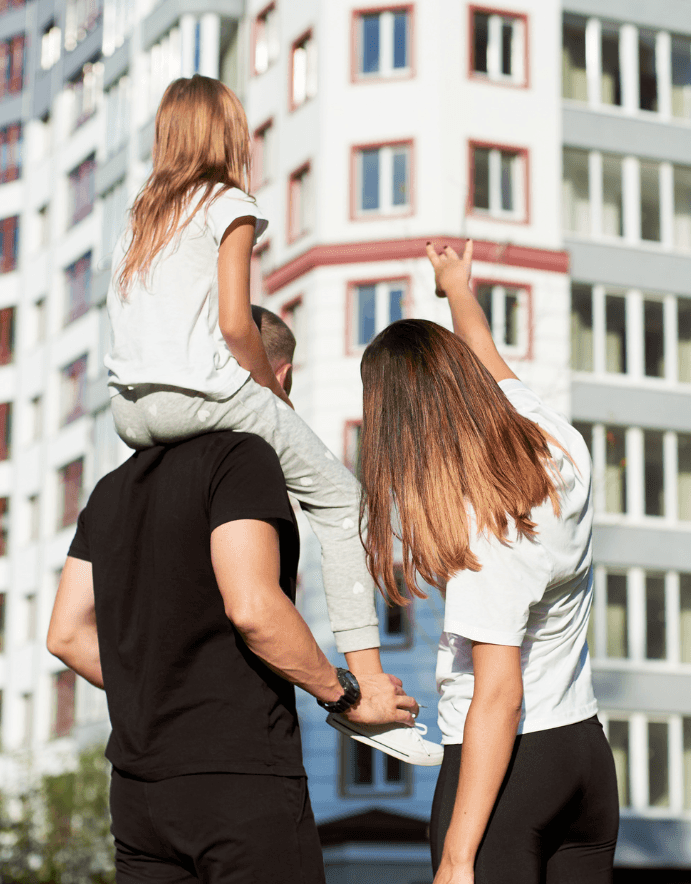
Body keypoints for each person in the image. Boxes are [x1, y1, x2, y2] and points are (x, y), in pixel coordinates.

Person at [103, 74, 438, 765]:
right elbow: (235, 321)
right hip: (200, 395)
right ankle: (371, 691)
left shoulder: (139, 220)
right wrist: (272, 397)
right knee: (343, 499)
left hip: (130, 412)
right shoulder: (230, 204)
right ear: (228, 135)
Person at [47, 307, 422, 883]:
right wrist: (344, 694)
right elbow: (253, 610)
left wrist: (160, 684)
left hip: (139, 795)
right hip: (240, 780)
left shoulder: (113, 486)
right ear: (283, 376)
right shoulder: (243, 455)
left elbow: (67, 635)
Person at [357, 242, 620, 884]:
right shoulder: (553, 438)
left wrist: (457, 854)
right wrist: (456, 286)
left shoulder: (488, 530)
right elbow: (487, 356)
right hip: (584, 758)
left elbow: (499, 696)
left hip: (509, 775)